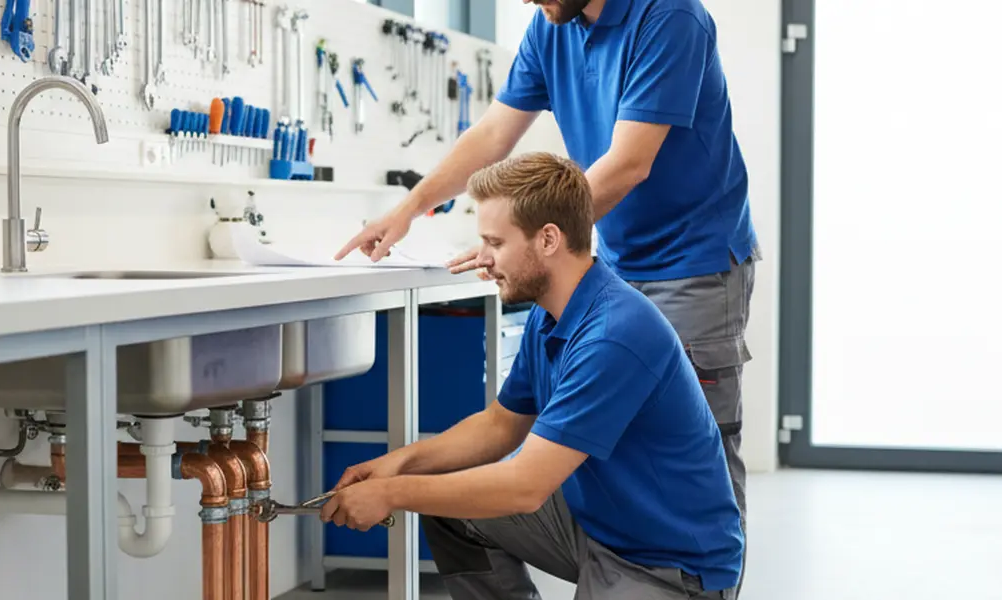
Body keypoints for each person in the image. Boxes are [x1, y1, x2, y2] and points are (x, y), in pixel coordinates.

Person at [334, 0, 757, 576]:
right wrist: (411, 207)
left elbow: (631, 164)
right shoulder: (551, 26)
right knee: (607, 450)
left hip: (694, 261)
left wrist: (530, 242)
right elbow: (493, 132)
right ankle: (617, 561)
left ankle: (688, 582)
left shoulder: (668, 17)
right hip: (613, 255)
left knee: (691, 455)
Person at [321, 153, 743, 599]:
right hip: (600, 525)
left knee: (442, 493)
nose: (482, 258)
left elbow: (525, 487)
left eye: (495, 243)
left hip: (668, 564)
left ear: (547, 240)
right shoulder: (551, 314)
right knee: (449, 508)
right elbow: (500, 425)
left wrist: (394, 494)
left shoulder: (614, 336)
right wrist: (397, 464)